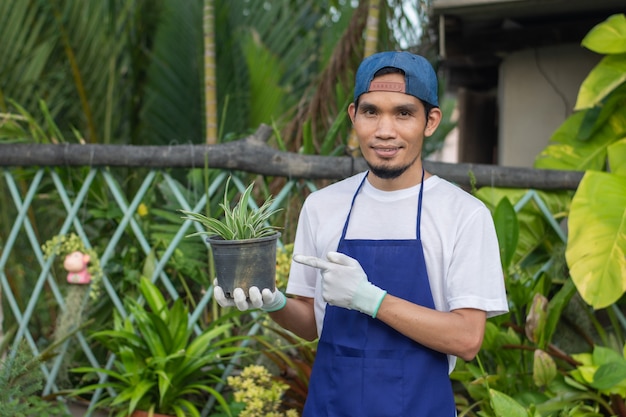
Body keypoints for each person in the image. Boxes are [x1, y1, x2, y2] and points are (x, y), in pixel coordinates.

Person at [214, 51, 509, 416]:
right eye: (371, 112)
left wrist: (370, 299)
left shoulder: (463, 214)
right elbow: (310, 323)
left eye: (403, 113)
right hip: (331, 406)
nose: (385, 131)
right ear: (354, 117)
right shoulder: (323, 206)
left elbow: (466, 339)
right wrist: (272, 302)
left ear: (430, 121)